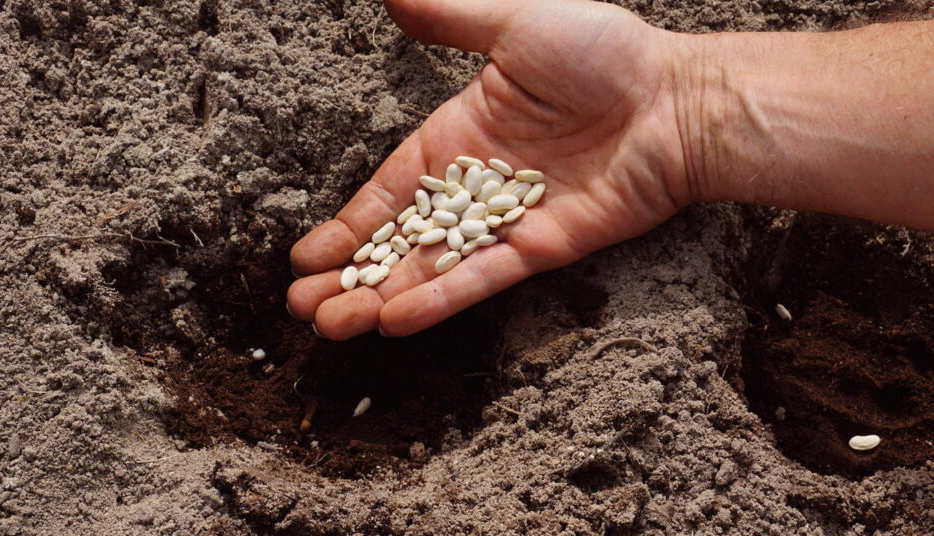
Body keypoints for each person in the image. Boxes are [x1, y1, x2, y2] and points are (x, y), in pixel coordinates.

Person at [287, 0, 934, 341]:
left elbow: (468, 215)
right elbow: (458, 216)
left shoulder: (480, 201)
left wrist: (681, 98)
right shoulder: (467, 200)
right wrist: (682, 98)